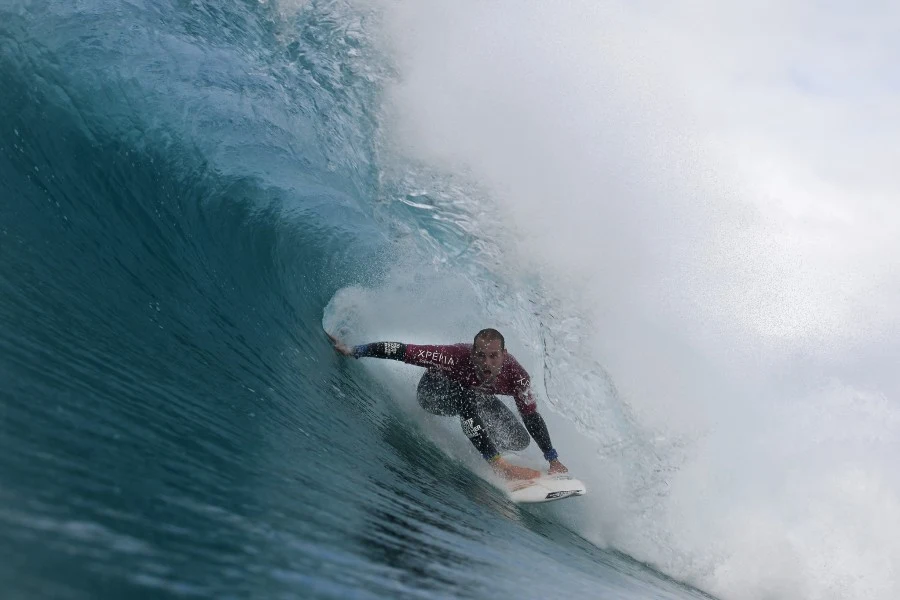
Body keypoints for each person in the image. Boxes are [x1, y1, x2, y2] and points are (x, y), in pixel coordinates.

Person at [328, 328, 568, 481]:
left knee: (519, 439)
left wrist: (553, 459)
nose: (486, 362)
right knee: (467, 397)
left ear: (504, 354)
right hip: (434, 394)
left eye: (493, 356)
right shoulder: (452, 356)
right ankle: (498, 465)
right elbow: (401, 351)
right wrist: (354, 350)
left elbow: (531, 416)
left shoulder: (518, 377)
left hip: (477, 397)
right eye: (480, 355)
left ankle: (486, 446)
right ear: (472, 352)